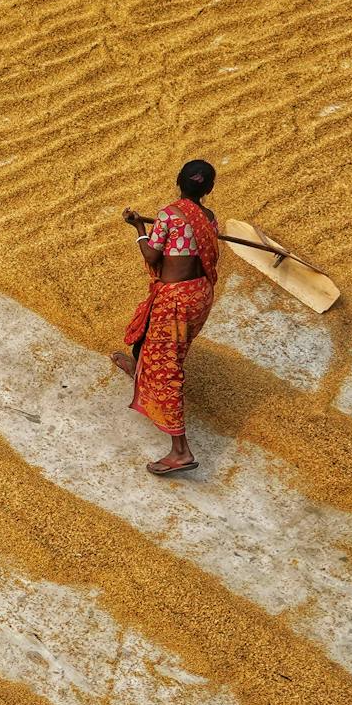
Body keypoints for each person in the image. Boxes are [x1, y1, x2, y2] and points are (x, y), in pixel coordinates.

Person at [111, 160, 220, 476]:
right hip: (199, 295)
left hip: (175, 300)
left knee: (167, 367)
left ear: (178, 182)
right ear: (208, 189)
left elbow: (152, 255)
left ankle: (181, 451)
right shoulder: (210, 219)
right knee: (149, 342)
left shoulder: (170, 215)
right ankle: (139, 370)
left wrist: (139, 229)